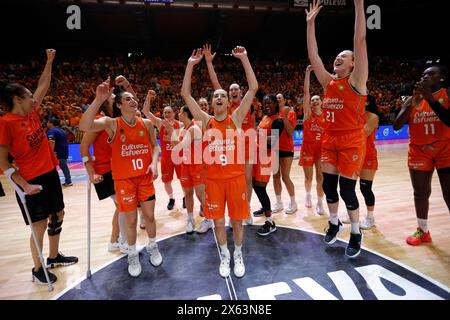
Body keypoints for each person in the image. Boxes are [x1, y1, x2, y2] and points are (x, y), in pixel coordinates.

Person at [0, 49, 78, 284]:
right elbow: (2, 161)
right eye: (29, 96)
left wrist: (49, 61)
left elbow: (43, 86)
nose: (34, 98)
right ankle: (37, 269)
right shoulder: (6, 124)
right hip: (30, 181)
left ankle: (54, 257)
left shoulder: (31, 113)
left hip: (49, 173)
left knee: (58, 215)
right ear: (17, 99)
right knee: (39, 225)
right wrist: (24, 184)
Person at [181, 46, 258, 278]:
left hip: (235, 180)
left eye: (223, 95)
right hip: (213, 181)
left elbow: (253, 87)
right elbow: (186, 94)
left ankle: (238, 253)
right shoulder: (205, 122)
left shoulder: (236, 118)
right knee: (217, 222)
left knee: (237, 221)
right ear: (212, 103)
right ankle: (224, 254)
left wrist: (244, 58)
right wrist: (190, 65)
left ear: (227, 101)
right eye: (216, 95)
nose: (220, 97)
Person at [79, 78, 162, 277]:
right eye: (127, 99)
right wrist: (99, 99)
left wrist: (154, 161)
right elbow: (84, 125)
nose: (133, 101)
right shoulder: (111, 124)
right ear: (118, 105)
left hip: (144, 178)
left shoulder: (147, 123)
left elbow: (155, 146)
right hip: (123, 181)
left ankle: (153, 245)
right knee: (131, 220)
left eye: (134, 98)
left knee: (149, 216)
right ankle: (132, 253)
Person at [306, 0, 369, 258]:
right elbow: (314, 56)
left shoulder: (357, 80)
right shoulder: (328, 82)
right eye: (338, 57)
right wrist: (310, 24)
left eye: (344, 57)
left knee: (346, 190)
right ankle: (334, 223)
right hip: (330, 139)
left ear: (353, 64)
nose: (338, 59)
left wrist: (358, 5)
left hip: (351, 140)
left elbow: (360, 40)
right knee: (329, 187)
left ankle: (356, 232)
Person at [393, 65, 450, 245]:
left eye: (431, 74)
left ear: (441, 78)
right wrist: (411, 104)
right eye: (423, 74)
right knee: (420, 193)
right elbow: (396, 125)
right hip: (419, 150)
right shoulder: (412, 99)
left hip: (445, 149)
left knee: (449, 194)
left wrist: (430, 99)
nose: (425, 76)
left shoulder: (447, 94)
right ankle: (423, 231)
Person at [204, 44, 254, 225]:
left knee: (247, 179)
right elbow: (215, 83)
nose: (232, 91)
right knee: (236, 178)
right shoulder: (226, 106)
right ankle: (234, 211)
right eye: (230, 89)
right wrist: (209, 63)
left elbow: (253, 87)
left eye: (235, 89)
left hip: (249, 145)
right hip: (232, 147)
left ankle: (245, 208)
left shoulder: (248, 105)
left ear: (240, 92)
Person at [79, 78, 129, 253]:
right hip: (105, 172)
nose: (115, 100)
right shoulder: (100, 120)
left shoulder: (119, 120)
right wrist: (91, 172)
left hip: (120, 170)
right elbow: (84, 147)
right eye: (111, 98)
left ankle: (114, 241)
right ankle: (123, 242)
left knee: (122, 207)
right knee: (124, 206)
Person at [157, 103, 213, 234]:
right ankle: (189, 219)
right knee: (187, 193)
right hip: (185, 165)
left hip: (197, 165)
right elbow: (174, 145)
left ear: (186, 114)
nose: (179, 114)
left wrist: (171, 131)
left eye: (181, 112)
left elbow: (179, 147)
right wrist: (172, 133)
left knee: (200, 194)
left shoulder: (194, 129)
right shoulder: (183, 129)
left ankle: (209, 219)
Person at [143, 100, 184, 211]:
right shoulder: (160, 123)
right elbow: (146, 112)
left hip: (178, 156)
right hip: (166, 158)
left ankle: (185, 197)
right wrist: (149, 97)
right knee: (167, 181)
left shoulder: (180, 125)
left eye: (168, 112)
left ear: (174, 113)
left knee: (183, 179)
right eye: (165, 112)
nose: (166, 114)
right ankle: (171, 199)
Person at [253, 94, 284, 236]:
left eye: (269, 103)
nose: (266, 105)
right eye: (264, 103)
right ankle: (265, 208)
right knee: (256, 186)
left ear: (275, 104)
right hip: (258, 155)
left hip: (266, 157)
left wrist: (255, 136)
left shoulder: (278, 121)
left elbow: (273, 142)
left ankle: (270, 221)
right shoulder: (265, 118)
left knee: (260, 188)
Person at [298, 65, 326, 215]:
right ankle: (308, 195)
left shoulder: (326, 115)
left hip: (321, 149)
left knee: (320, 176)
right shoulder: (308, 114)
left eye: (317, 100)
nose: (314, 101)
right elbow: (306, 93)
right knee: (308, 177)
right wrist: (308, 73)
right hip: (307, 148)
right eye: (313, 100)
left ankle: (320, 203)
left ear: (321, 102)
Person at [272, 93, 298, 214]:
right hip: (274, 149)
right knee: (275, 176)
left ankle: (293, 203)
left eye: (279, 98)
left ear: (284, 101)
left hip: (286, 148)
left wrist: (284, 116)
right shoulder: (272, 114)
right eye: (276, 99)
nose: (277, 100)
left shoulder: (290, 113)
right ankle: (278, 202)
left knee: (285, 177)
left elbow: (290, 132)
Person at [46, 118, 72, 187]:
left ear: (51, 123)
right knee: (64, 167)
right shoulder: (62, 130)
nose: (47, 123)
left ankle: (53, 184)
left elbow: (52, 142)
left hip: (57, 153)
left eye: (48, 122)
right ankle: (68, 181)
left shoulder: (51, 131)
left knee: (51, 169)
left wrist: (51, 153)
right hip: (64, 152)